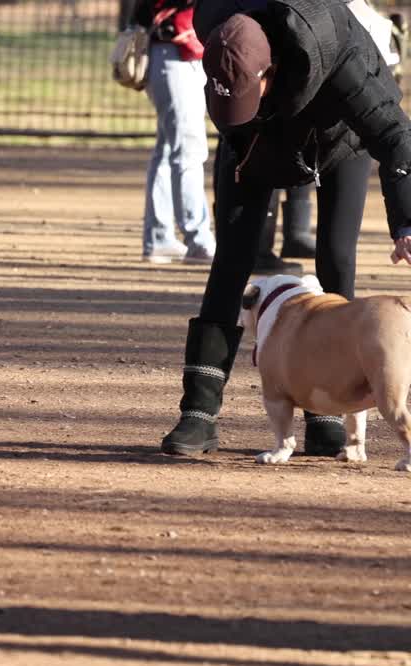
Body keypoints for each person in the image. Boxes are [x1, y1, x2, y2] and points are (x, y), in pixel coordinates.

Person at [160, 0, 411, 457]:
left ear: (270, 72)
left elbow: (396, 136)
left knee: (335, 260)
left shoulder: (337, 53)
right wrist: (236, 111)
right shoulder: (216, 18)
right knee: (231, 259)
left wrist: (406, 221)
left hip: (340, 139)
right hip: (255, 142)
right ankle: (198, 412)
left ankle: (327, 414)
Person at [135, 0, 218, 264]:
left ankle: (159, 237)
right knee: (188, 149)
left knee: (170, 148)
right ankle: (199, 240)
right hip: (172, 49)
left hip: (186, 51)